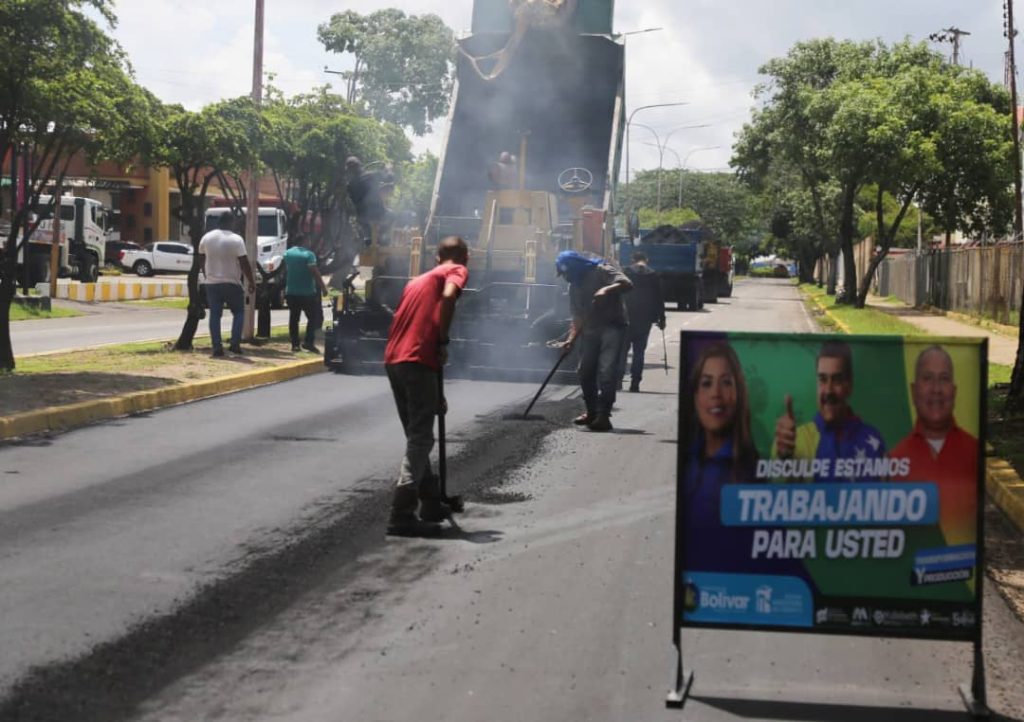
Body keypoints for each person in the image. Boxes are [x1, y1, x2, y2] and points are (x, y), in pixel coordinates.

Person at [384, 236, 470, 537]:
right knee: (421, 439)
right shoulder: (455, 271)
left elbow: (418, 325)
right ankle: (401, 513)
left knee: (416, 436)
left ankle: (431, 502)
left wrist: (438, 391)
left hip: (395, 360)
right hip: (418, 359)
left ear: (435, 257)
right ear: (465, 257)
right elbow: (448, 299)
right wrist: (444, 339)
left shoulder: (416, 280)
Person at [683, 342, 761, 571]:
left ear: (739, 393)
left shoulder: (754, 471)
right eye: (706, 383)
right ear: (696, 394)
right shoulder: (689, 462)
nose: (716, 394)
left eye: (726, 382)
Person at [890, 346, 979, 546]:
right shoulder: (894, 460)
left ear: (954, 391)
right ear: (913, 391)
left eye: (944, 378)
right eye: (927, 378)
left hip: (962, 570)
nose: (936, 389)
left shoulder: (974, 452)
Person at [772, 340, 886, 482]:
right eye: (822, 379)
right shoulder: (794, 440)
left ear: (849, 386)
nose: (828, 390)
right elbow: (780, 494)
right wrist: (783, 457)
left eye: (837, 380)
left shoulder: (873, 439)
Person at [555, 250, 632, 432]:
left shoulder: (601, 270)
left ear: (574, 267)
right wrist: (570, 340)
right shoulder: (573, 287)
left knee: (606, 371)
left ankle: (604, 415)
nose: (565, 277)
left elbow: (627, 283)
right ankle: (591, 412)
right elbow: (578, 317)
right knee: (584, 371)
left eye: (565, 273)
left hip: (612, 327)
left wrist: (606, 289)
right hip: (590, 330)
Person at [199, 211, 255, 357]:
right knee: (239, 312)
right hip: (232, 282)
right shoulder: (237, 239)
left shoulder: (207, 237)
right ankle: (235, 344)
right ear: (231, 222)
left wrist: (206, 275)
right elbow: (244, 262)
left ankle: (216, 347)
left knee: (215, 315)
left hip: (211, 283)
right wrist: (251, 281)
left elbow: (201, 258)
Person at [620, 251, 666, 392]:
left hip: (626, 317)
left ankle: (618, 381)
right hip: (645, 319)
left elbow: (618, 294)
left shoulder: (626, 272)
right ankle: (635, 382)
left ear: (633, 259)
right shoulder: (653, 275)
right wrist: (661, 318)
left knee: (622, 351)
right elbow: (659, 298)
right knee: (639, 352)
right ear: (647, 260)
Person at [282, 234, 327, 353]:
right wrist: (323, 287)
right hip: (307, 292)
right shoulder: (309, 255)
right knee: (312, 318)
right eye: (308, 240)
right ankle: (308, 342)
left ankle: (295, 344)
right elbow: (315, 272)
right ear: (305, 241)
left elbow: (284, 270)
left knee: (294, 318)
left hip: (291, 292)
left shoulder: (287, 254)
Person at [345, 156, 391, 245]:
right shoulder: (371, 175)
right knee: (393, 216)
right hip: (378, 213)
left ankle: (372, 240)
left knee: (369, 235)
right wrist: (388, 169)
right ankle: (381, 236)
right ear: (359, 166)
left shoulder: (349, 186)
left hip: (362, 217)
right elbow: (388, 178)